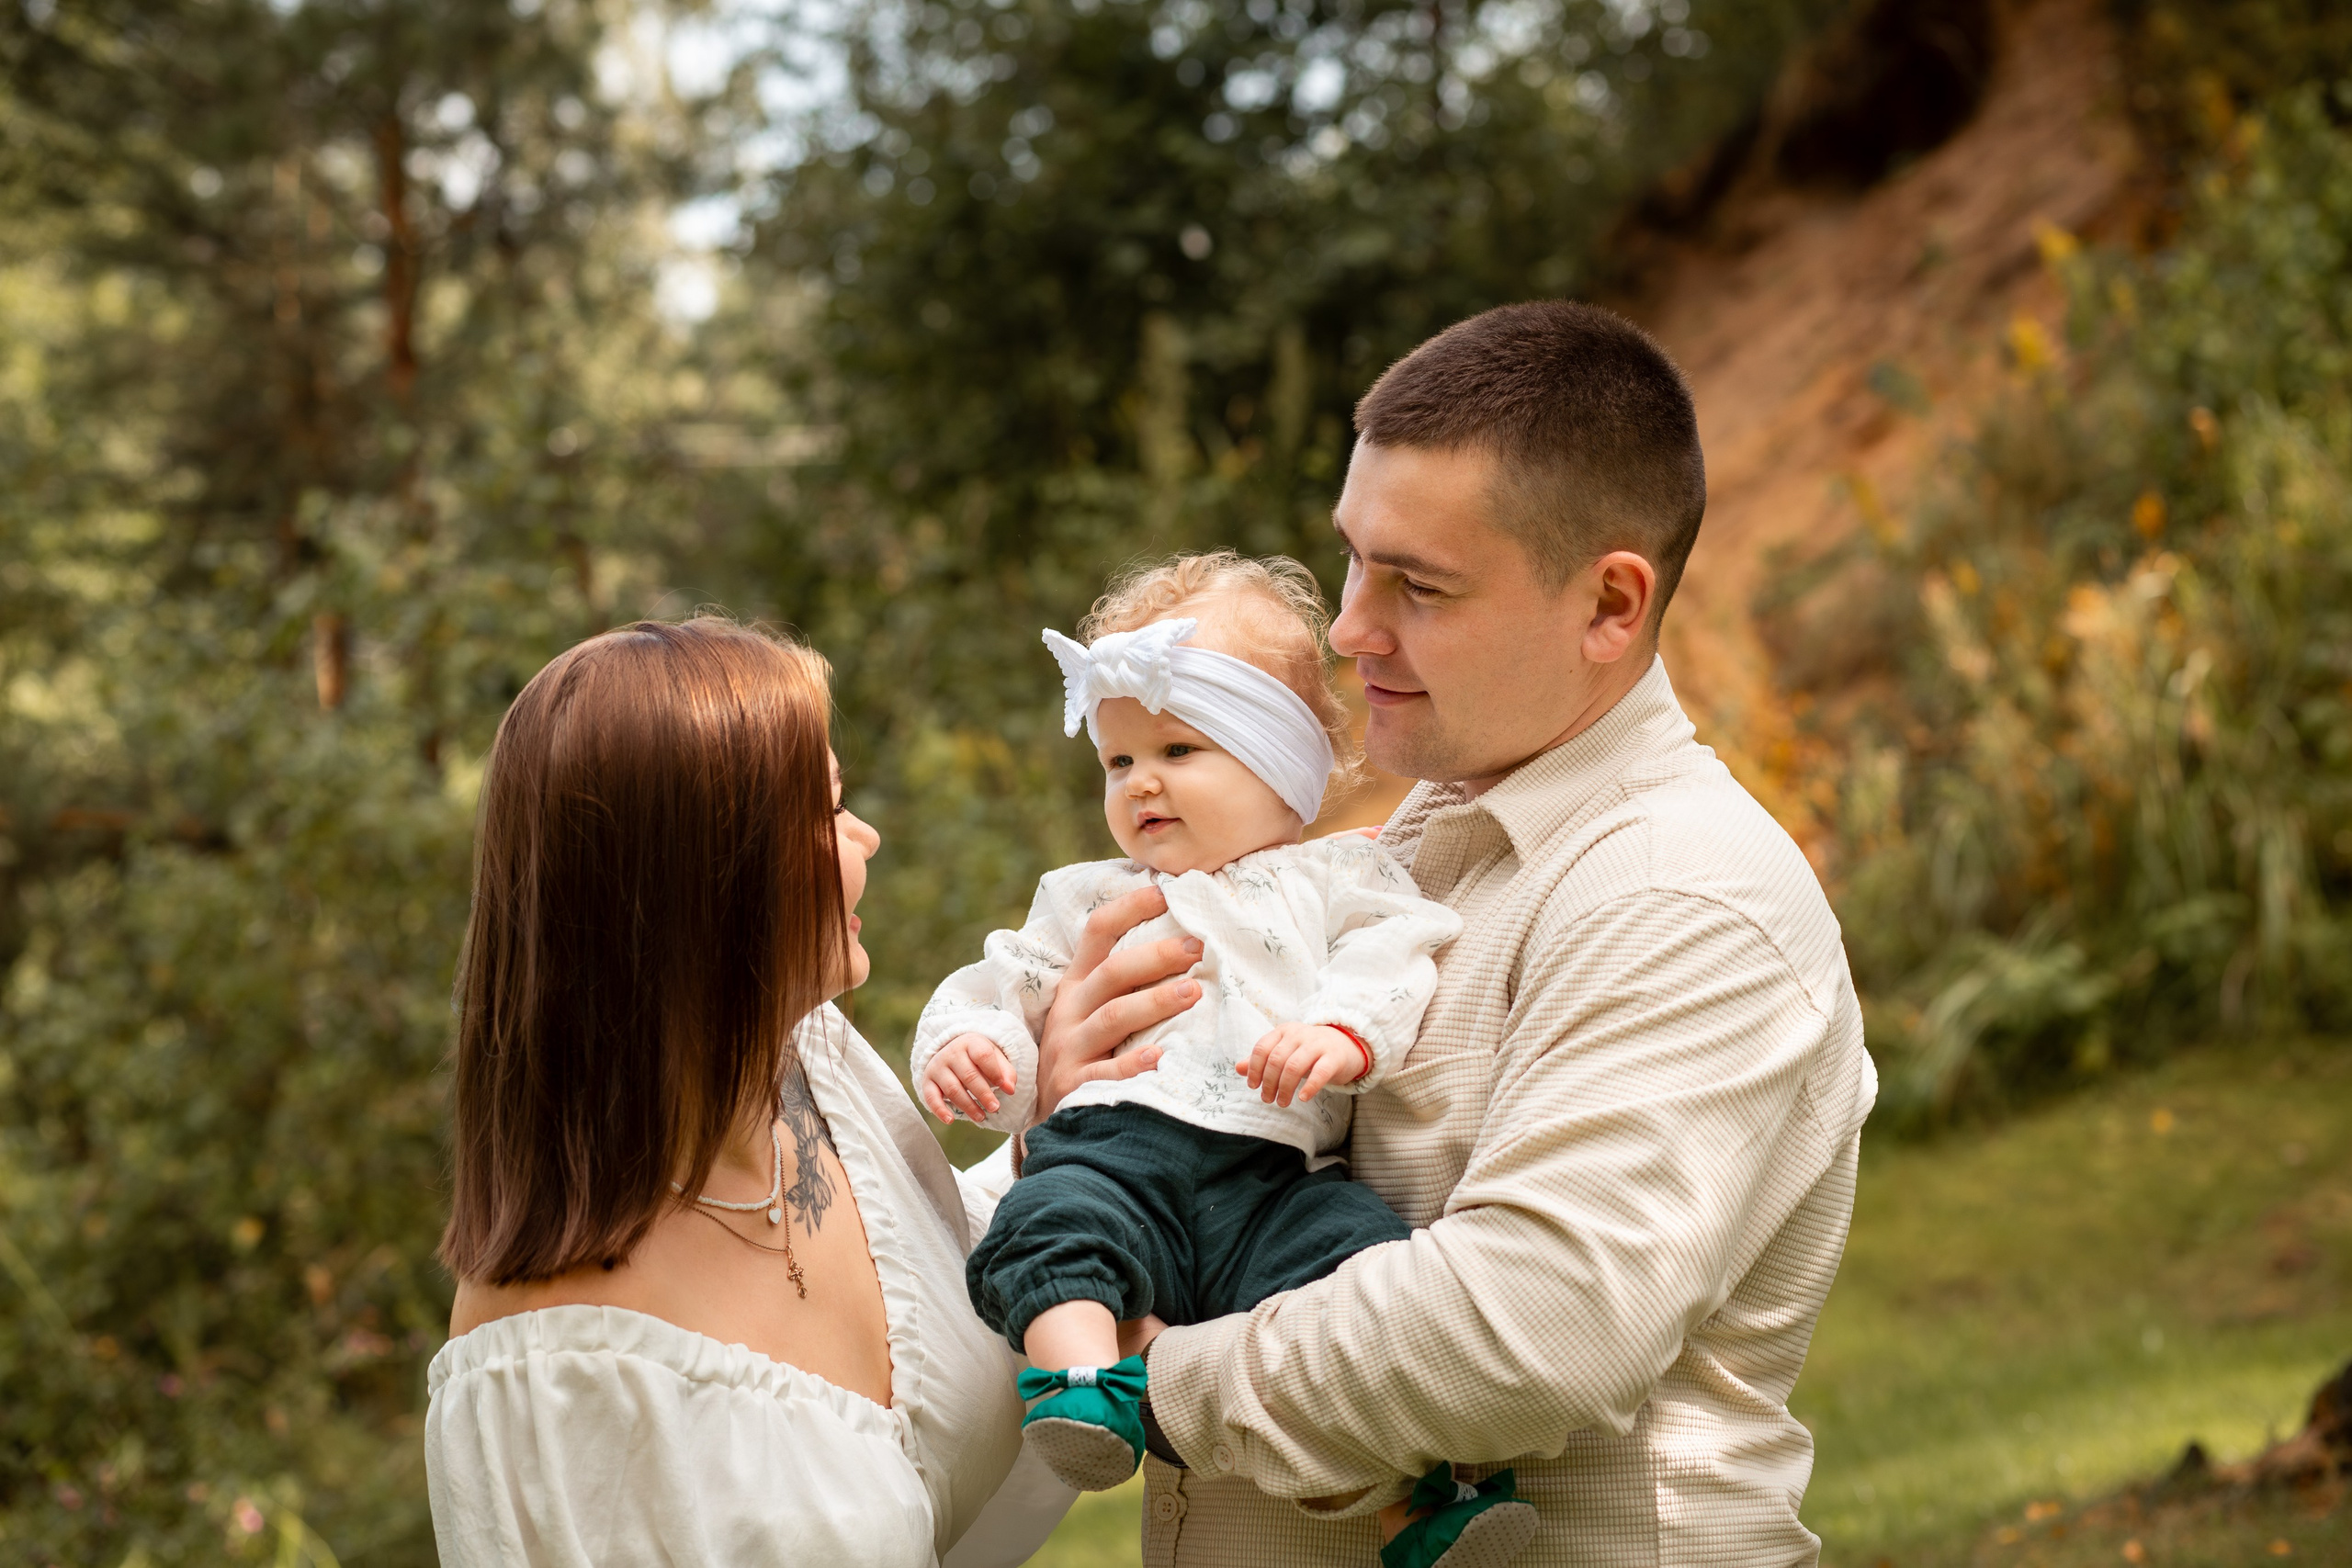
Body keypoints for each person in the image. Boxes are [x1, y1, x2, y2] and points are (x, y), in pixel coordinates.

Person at [1023, 301, 1881, 1567]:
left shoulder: (1684, 896)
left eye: (1417, 584)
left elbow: (1533, 1324)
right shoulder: (1407, 844)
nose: (1349, 628)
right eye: (1355, 559)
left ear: (1609, 602)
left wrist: (1148, 1375)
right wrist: (1078, 1113)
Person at [913, 555, 1535, 1568]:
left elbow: (1395, 949)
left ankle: (1413, 1502)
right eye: (1117, 763)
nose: (1141, 780)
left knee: (1355, 1266)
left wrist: (1342, 1031)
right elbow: (1006, 983)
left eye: (1178, 747)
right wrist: (970, 1048)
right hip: (1110, 1153)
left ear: (1278, 762)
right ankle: (1082, 1393)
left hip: (1269, 1179)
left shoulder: (1338, 875)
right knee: (1050, 1225)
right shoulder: (1086, 897)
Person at [424, 617, 1068, 1568]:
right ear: (710, 884)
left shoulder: (809, 1070)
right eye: (829, 812)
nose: (866, 838)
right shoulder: (559, 1368)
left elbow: (942, 1278)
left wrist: (1064, 1133)